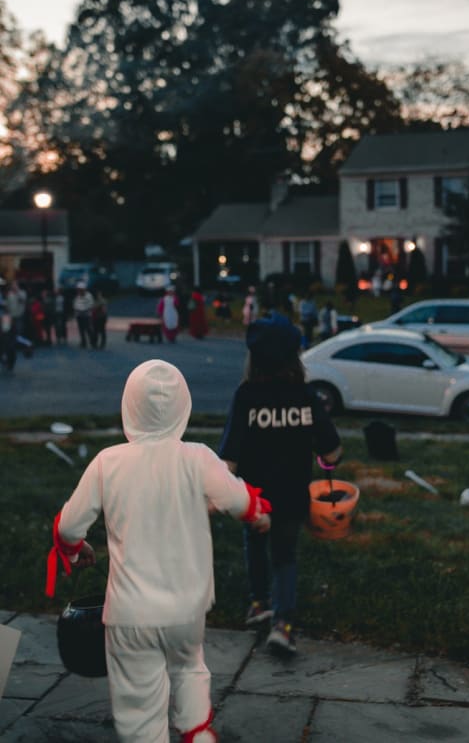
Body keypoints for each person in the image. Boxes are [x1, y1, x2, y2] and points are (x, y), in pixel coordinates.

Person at [45, 359, 271, 743]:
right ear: (183, 407)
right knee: (189, 669)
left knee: (139, 703)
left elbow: (67, 526)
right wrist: (259, 514)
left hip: (131, 614)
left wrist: (74, 546)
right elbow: (239, 499)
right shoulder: (198, 458)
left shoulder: (107, 463)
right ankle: (197, 733)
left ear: (128, 407)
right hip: (186, 609)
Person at [219, 313, 342, 655]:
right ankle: (283, 626)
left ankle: (259, 603)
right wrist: (326, 461)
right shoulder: (305, 396)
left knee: (255, 544)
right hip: (291, 496)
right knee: (285, 556)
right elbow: (332, 451)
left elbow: (228, 459)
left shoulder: (245, 396)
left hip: (254, 497)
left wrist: (222, 491)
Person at [73, 282, 95, 348]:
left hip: (86, 315)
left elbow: (91, 304)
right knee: (81, 329)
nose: (79, 291)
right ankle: (83, 342)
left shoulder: (89, 296)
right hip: (79, 315)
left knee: (89, 329)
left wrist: (83, 309)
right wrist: (76, 310)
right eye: (78, 289)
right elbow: (75, 304)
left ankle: (92, 342)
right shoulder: (77, 296)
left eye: (80, 289)